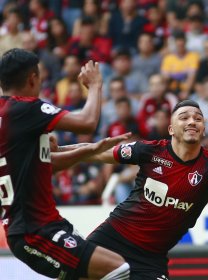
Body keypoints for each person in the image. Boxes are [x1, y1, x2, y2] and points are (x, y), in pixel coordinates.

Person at [77, 99, 208, 280]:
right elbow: (95, 152)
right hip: (111, 238)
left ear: (203, 129)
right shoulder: (150, 151)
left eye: (198, 119)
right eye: (184, 117)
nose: (192, 121)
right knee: (71, 272)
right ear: (171, 129)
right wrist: (57, 150)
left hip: (150, 260)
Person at [0, 48, 131, 280]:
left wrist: (88, 150)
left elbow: (45, 165)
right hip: (35, 231)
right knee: (118, 269)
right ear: (33, 78)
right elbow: (87, 121)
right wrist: (95, 86)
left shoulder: (8, 116)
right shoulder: (25, 109)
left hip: (36, 227)